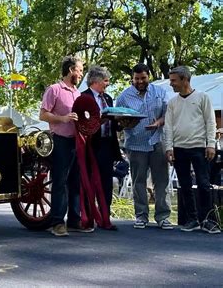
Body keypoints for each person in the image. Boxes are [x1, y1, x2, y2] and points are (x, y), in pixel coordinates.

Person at [164, 66, 220, 234]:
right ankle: (192, 219)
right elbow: (168, 126)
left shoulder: (202, 97)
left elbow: (211, 122)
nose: (171, 84)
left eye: (174, 80)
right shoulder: (173, 102)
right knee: (185, 185)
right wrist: (169, 148)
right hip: (179, 148)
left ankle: (208, 220)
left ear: (185, 80)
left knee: (204, 184)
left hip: (199, 147)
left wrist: (210, 144)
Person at [116, 63, 172, 230]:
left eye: (143, 78)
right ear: (132, 79)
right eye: (136, 79)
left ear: (149, 77)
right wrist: (125, 122)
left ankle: (163, 216)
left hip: (157, 141)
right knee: (138, 181)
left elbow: (167, 114)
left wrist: (158, 123)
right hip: (135, 143)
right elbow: (118, 119)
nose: (140, 81)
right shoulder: (124, 97)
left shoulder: (160, 92)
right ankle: (141, 216)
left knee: (161, 181)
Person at [39, 55, 91, 236]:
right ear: (71, 70)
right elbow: (43, 115)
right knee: (60, 181)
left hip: (77, 141)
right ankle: (57, 222)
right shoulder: (54, 89)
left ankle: (75, 220)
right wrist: (63, 118)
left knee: (75, 181)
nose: (81, 73)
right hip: (60, 140)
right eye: (80, 70)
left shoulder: (77, 93)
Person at [81, 66, 120, 229]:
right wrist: (97, 123)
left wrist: (120, 122)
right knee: (89, 181)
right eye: (106, 81)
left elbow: (112, 122)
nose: (108, 84)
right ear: (95, 81)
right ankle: (89, 217)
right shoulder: (83, 97)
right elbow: (81, 123)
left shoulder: (109, 98)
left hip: (107, 145)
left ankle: (105, 217)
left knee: (106, 182)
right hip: (90, 146)